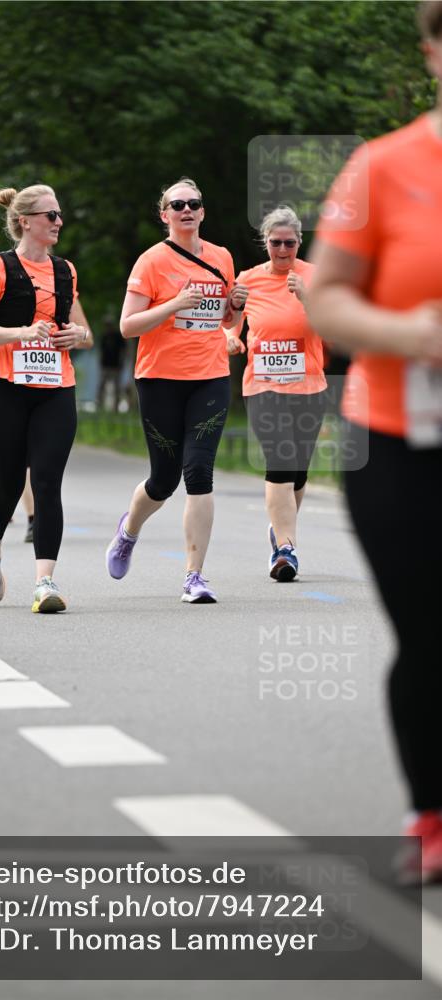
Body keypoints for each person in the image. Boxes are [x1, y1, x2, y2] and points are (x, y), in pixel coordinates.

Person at [307, 0, 442, 882]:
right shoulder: (382, 167)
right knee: (431, 634)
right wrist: (412, 334)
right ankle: (432, 818)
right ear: (432, 52)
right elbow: (325, 297)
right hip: (401, 442)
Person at [105, 178, 247, 603]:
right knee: (163, 479)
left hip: (209, 376)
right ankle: (129, 530)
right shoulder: (151, 262)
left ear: (202, 212)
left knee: (199, 473)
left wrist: (235, 307)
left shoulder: (221, 257)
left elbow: (224, 323)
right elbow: (128, 326)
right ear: (164, 214)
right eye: (177, 204)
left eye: (194, 203)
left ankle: (194, 576)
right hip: (160, 379)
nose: (186, 210)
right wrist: (172, 305)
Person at [0, 184, 93, 613]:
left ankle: (45, 583)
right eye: (50, 216)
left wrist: (77, 335)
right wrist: (22, 332)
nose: (58, 222)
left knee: (46, 484)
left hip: (55, 387)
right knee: (8, 485)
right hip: (5, 386)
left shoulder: (65, 270)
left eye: (59, 215)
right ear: (25, 221)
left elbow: (84, 331)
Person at [224, 206, 327, 581]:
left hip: (309, 384)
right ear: (265, 242)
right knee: (281, 463)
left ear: (300, 242)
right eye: (275, 243)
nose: (282, 250)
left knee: (298, 472)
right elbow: (230, 324)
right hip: (263, 384)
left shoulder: (316, 277)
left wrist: (308, 299)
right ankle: (285, 551)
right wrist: (231, 334)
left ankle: (281, 528)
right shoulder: (248, 279)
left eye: (290, 243)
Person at [97, 317, 126, 411]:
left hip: (115, 366)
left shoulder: (118, 337)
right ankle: (100, 405)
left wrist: (122, 363)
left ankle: (116, 407)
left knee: (117, 387)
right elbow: (101, 352)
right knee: (102, 386)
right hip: (105, 366)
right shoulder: (104, 337)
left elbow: (123, 351)